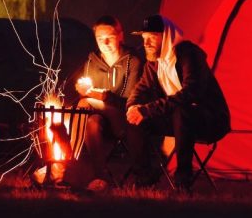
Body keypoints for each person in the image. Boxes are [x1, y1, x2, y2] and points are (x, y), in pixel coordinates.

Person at [126, 14, 231, 192]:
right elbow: (140, 89)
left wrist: (148, 109)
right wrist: (133, 107)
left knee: (181, 111)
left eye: (152, 37)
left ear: (166, 36)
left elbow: (191, 93)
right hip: (178, 121)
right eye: (144, 38)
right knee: (135, 120)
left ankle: (183, 178)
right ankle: (145, 175)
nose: (146, 43)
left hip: (209, 119)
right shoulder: (154, 64)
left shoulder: (188, 54)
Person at [71, 15, 144, 191]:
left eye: (109, 38)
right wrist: (80, 88)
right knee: (91, 122)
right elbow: (80, 83)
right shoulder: (92, 61)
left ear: (120, 36)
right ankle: (100, 177)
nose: (105, 43)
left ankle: (67, 162)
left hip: (125, 120)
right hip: (100, 122)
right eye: (99, 39)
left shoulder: (133, 61)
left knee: (84, 103)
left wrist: (101, 97)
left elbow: (128, 101)